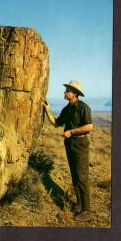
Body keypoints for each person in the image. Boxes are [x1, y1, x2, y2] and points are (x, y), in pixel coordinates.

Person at [42, 80, 93, 222]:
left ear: (75, 94)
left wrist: (71, 131)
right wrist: (47, 109)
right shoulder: (67, 109)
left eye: (68, 91)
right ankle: (78, 205)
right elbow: (56, 123)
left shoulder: (83, 107)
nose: (65, 92)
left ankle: (86, 210)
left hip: (80, 144)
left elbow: (89, 127)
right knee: (75, 176)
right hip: (69, 144)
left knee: (82, 177)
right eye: (66, 90)